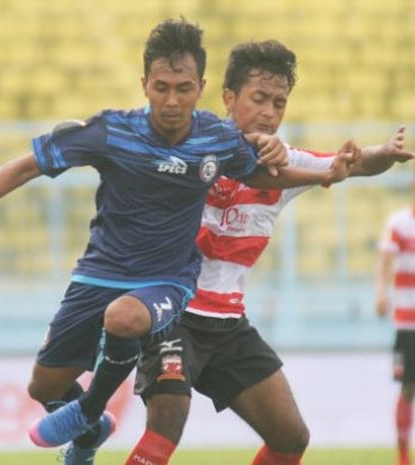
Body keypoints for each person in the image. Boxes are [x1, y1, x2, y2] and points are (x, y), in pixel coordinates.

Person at [0, 18, 348, 465]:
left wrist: (327, 173)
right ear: (144, 83)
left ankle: (90, 408)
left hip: (169, 284)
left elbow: (263, 171)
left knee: (130, 328)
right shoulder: (113, 131)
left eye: (183, 88)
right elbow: (27, 165)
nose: (171, 100)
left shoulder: (215, 139)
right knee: (43, 386)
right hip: (99, 274)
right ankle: (92, 428)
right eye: (161, 87)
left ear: (200, 87)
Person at [128, 40, 414, 465]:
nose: (269, 112)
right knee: (169, 415)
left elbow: (346, 164)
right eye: (258, 99)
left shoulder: (287, 166)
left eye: (279, 103)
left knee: (290, 436)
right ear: (228, 98)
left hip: (227, 325)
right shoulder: (188, 144)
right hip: (173, 312)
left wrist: (383, 155)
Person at [377, 198, 415, 465]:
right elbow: (386, 259)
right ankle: (402, 455)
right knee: (408, 387)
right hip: (407, 323)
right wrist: (381, 292)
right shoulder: (400, 223)